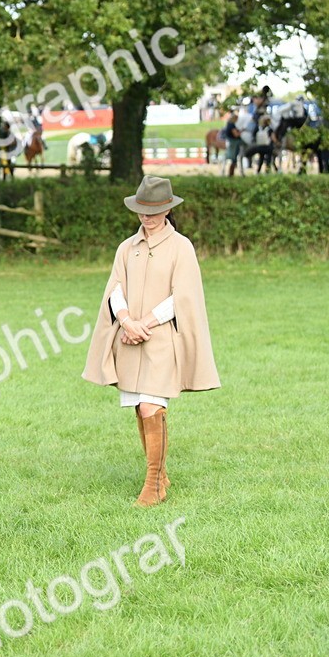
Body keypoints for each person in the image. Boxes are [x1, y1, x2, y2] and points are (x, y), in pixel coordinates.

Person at [83, 176, 220, 507]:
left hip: (160, 339)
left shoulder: (181, 247)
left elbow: (183, 296)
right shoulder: (126, 248)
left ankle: (152, 485)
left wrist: (147, 322)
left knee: (151, 406)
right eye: (143, 210)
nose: (148, 216)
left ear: (168, 209)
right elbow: (115, 288)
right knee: (141, 409)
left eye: (155, 210)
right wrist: (127, 320)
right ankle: (160, 475)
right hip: (130, 339)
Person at [221, 111, 243, 177]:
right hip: (233, 143)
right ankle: (231, 173)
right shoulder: (232, 125)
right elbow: (235, 134)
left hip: (231, 142)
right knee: (233, 158)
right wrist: (241, 132)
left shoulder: (229, 124)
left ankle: (230, 172)